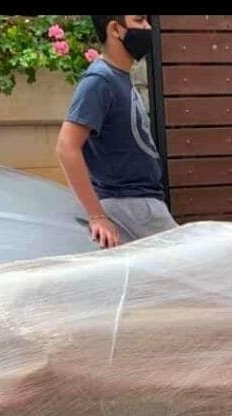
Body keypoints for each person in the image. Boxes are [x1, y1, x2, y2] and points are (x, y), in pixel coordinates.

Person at [56, 14, 177, 249]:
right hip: (131, 205)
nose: (148, 27)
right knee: (189, 271)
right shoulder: (100, 80)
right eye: (140, 21)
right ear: (115, 29)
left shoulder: (118, 77)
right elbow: (66, 146)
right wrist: (97, 216)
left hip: (140, 204)